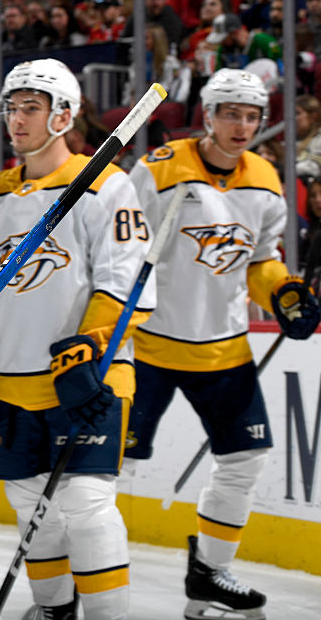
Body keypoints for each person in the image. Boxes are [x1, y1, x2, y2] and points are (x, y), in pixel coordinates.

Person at [0, 59, 154, 620]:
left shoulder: (106, 185)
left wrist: (91, 347)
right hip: (11, 383)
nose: (16, 120)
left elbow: (126, 282)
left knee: (86, 505)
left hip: (89, 378)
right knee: (29, 505)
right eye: (11, 108)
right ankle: (53, 610)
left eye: (31, 108)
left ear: (64, 116)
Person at [124, 69, 320, 620]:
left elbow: (260, 262)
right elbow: (122, 250)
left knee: (244, 459)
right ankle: (78, 575)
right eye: (230, 113)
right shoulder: (159, 170)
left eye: (252, 116)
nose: (242, 125)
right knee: (107, 467)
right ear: (207, 115)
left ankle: (209, 572)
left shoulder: (264, 179)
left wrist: (281, 292)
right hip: (149, 347)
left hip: (223, 349)